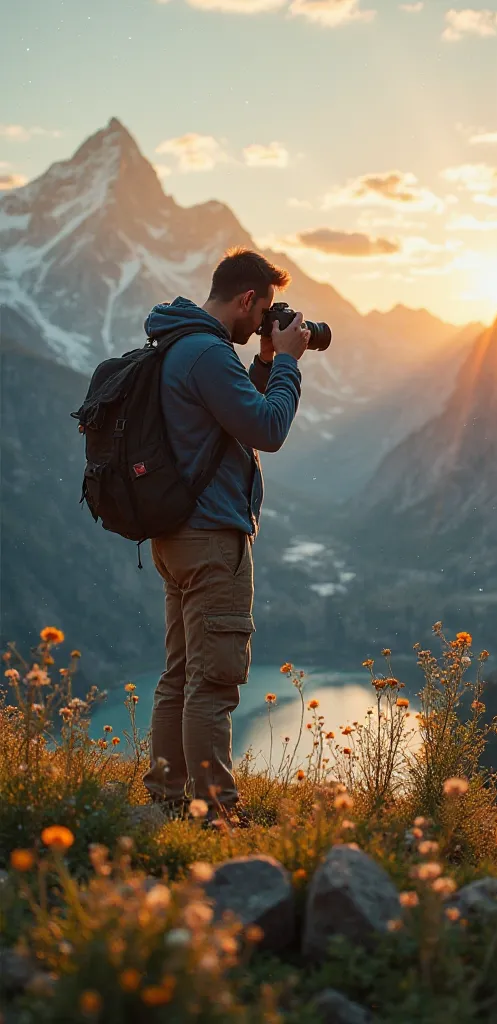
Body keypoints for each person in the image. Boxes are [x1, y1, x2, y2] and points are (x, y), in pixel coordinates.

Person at [141, 247, 309, 820]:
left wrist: (262, 364)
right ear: (247, 299)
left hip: (174, 537)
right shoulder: (208, 352)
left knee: (180, 675)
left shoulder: (179, 342)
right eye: (262, 312)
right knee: (213, 684)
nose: (262, 322)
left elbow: (225, 421)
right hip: (213, 541)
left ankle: (167, 802)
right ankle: (215, 814)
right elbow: (267, 428)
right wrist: (287, 362)